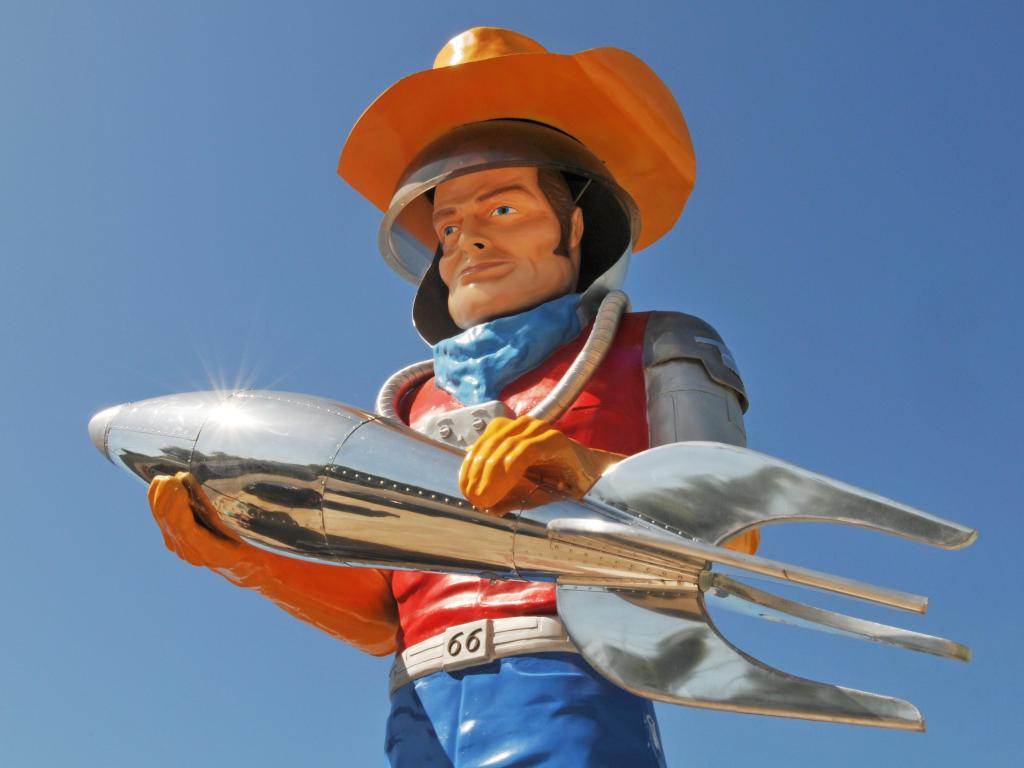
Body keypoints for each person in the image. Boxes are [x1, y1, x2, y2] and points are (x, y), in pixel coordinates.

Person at [148, 27, 757, 767]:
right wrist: (243, 555)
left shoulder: (659, 345)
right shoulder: (406, 408)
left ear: (575, 226)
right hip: (419, 712)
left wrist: (583, 467)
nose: (466, 242)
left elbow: (734, 537)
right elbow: (383, 617)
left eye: (501, 211)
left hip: (572, 686)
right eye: (447, 224)